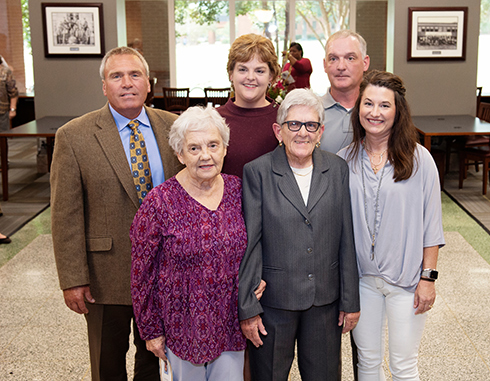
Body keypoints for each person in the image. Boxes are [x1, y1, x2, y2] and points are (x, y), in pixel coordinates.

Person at [51, 46, 182, 381]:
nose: (127, 83)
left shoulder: (175, 129)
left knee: (155, 359)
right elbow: (65, 215)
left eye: (135, 74)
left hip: (163, 272)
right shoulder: (74, 137)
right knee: (107, 361)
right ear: (104, 86)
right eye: (117, 76)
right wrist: (72, 278)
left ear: (148, 83)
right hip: (104, 275)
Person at [130, 106, 265, 380]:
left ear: (225, 148)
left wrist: (257, 279)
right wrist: (151, 331)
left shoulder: (239, 191)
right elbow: (141, 274)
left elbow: (258, 243)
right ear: (180, 154)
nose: (206, 155)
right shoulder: (159, 202)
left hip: (229, 324)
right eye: (194, 148)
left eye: (213, 145)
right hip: (180, 327)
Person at [238, 88, 360, 381]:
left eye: (311, 125)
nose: (302, 132)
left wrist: (350, 301)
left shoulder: (338, 169)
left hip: (324, 303)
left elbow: (346, 237)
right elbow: (251, 243)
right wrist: (248, 307)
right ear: (278, 130)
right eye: (294, 124)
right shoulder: (258, 172)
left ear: (321, 131)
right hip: (274, 302)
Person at [337, 70, 445, 380]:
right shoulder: (344, 161)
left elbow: (432, 226)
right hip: (361, 282)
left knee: (403, 365)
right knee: (367, 363)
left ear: (398, 111)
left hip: (406, 282)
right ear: (358, 109)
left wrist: (429, 279)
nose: (374, 112)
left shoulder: (419, 160)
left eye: (384, 105)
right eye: (368, 104)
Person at [217, 33, 281, 178]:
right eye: (243, 69)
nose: (251, 77)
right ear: (231, 74)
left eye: (259, 71)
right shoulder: (213, 119)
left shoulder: (284, 119)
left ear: (271, 76)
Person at [321, 30, 370, 155]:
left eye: (350, 58)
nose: (341, 67)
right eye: (333, 59)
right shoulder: (312, 112)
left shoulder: (378, 113)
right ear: (325, 65)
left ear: (365, 63)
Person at [0, 55, 18, 132]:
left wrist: (13, 109)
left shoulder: (5, 71)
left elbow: (13, 91)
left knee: (2, 137)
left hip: (2, 111)